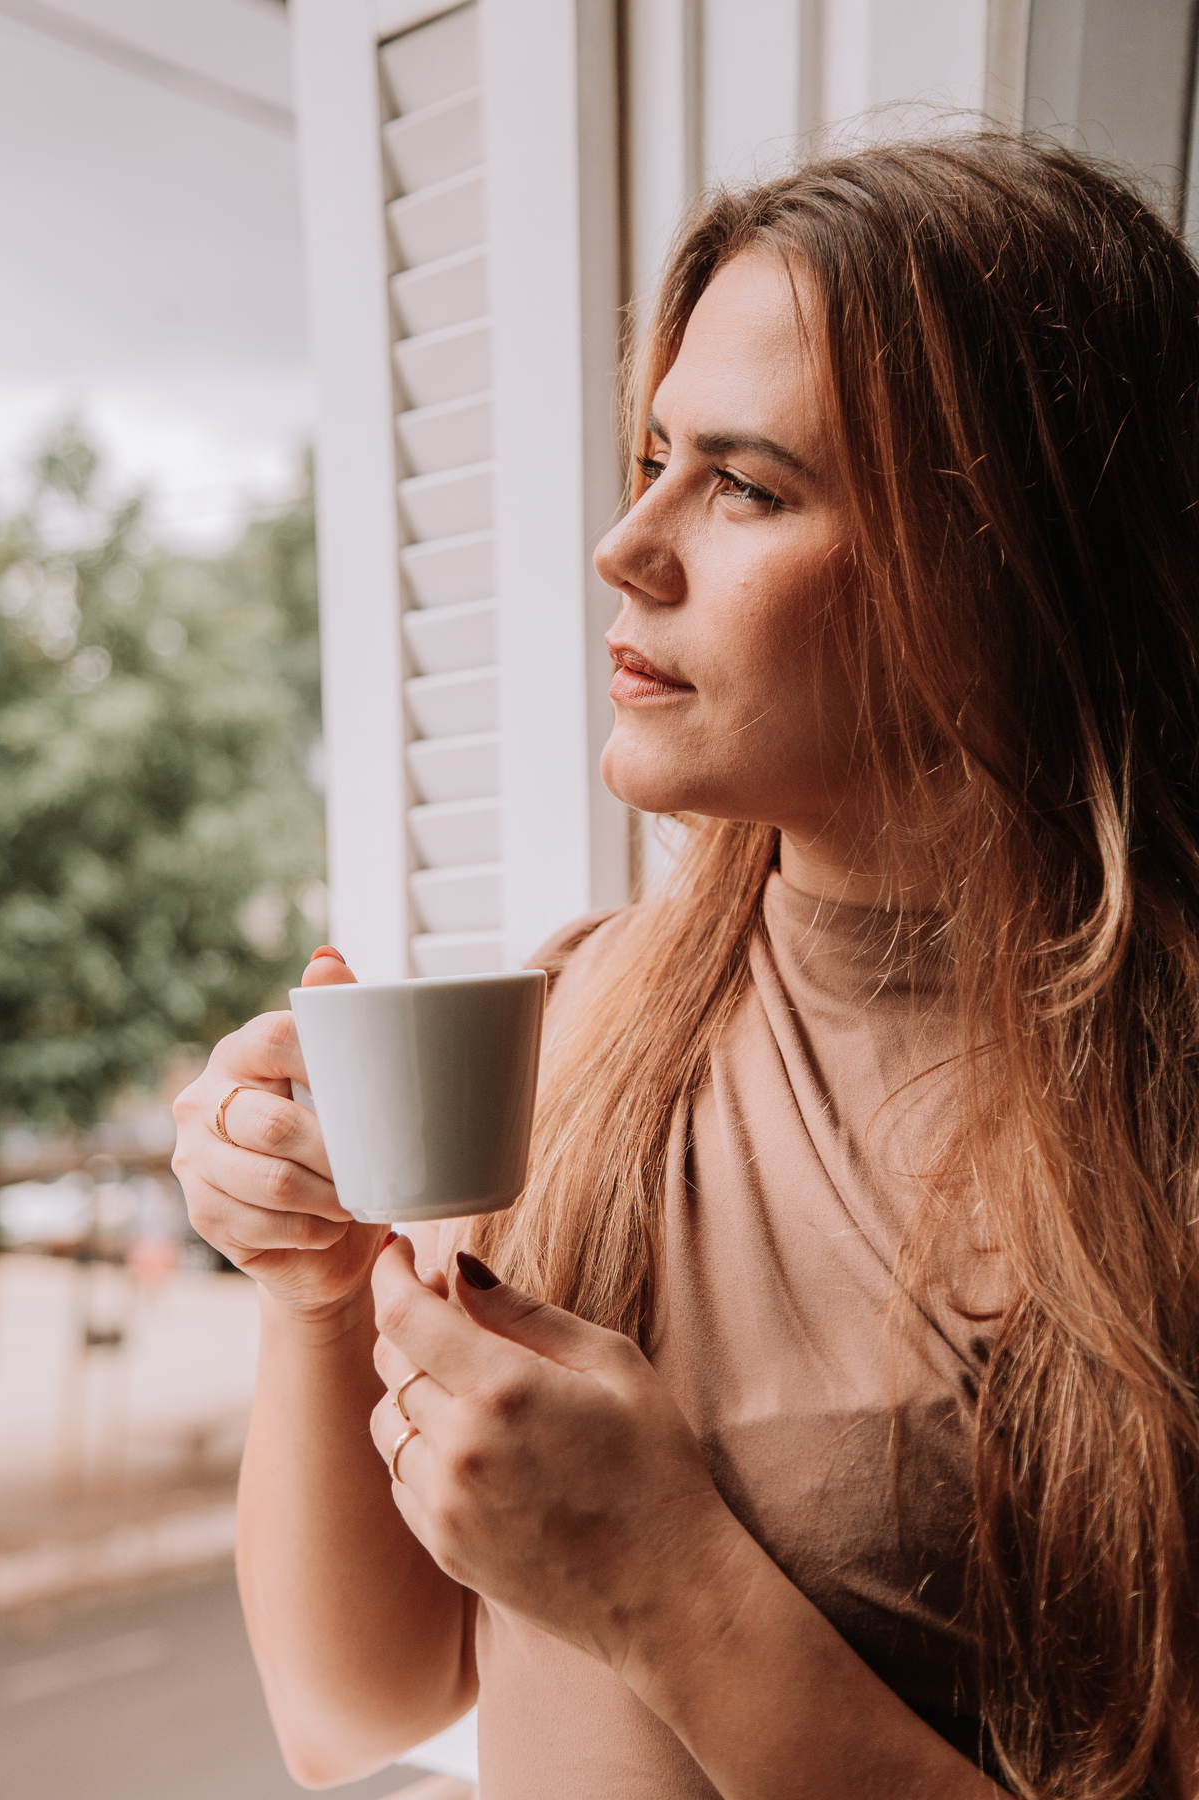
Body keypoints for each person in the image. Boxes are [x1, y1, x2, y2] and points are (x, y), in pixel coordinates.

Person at [172, 132, 1199, 1799]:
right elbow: (357, 1702)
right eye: (654, 457)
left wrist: (672, 1589)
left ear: (1005, 563)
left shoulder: (1161, 1142)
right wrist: (315, 1296)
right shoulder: (584, 1014)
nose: (625, 546)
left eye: (747, 484)